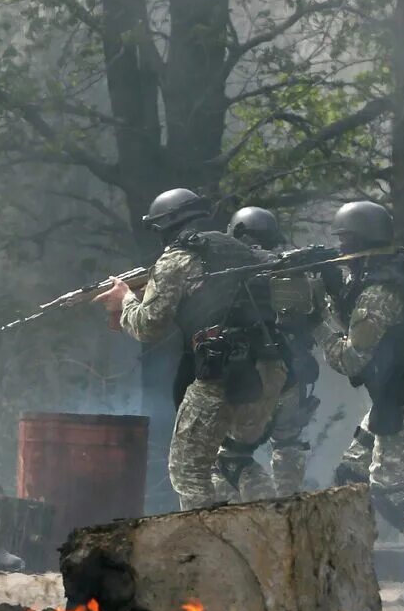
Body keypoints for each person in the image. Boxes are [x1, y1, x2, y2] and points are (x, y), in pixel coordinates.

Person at [93, 189, 287, 510]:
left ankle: (204, 551)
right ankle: (271, 532)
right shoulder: (237, 248)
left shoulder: (176, 259)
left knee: (188, 472)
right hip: (268, 370)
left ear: (164, 226)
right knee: (234, 459)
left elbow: (147, 326)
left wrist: (124, 299)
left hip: (223, 374)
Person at [311, 200, 404, 583]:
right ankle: (346, 559)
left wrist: (315, 320)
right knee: (350, 472)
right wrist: (330, 294)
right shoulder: (392, 270)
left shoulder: (380, 290)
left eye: (346, 242)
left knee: (386, 490)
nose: (342, 252)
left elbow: (351, 359)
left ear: (361, 241)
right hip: (400, 389)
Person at [213, 207, 322, 501]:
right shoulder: (292, 273)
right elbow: (314, 318)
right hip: (293, 375)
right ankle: (290, 507)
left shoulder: (231, 276)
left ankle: (262, 512)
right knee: (288, 443)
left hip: (254, 378)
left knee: (229, 458)